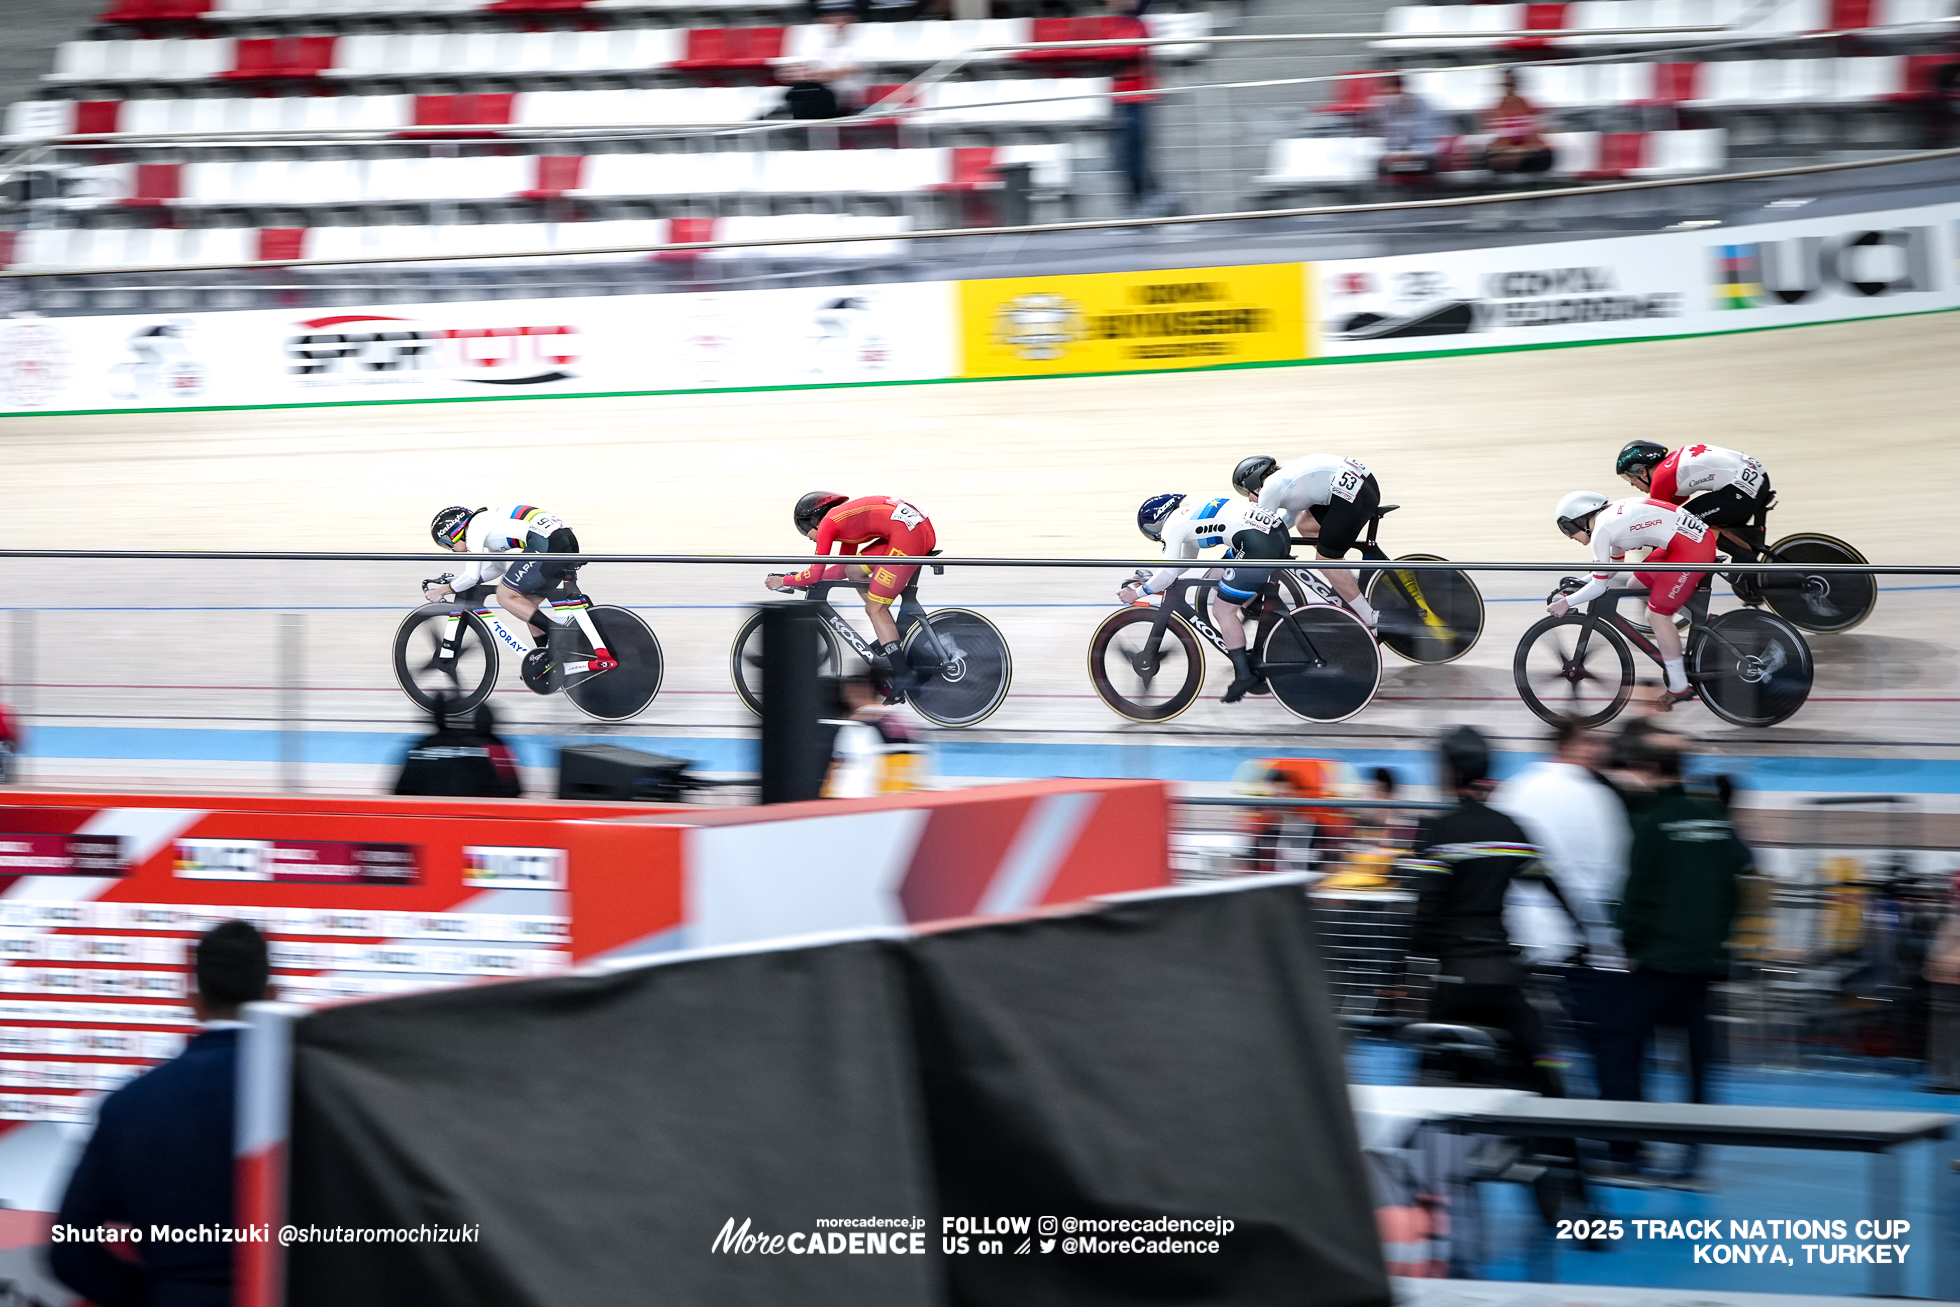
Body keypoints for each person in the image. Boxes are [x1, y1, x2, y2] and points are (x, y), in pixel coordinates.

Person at [51, 921, 272, 1307]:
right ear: (273, 995)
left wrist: (157, 1293)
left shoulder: (129, 1104)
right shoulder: (315, 1096)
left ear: (194, 999)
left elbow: (70, 1251)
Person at [1596, 730, 1750, 1184]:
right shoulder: (1717, 821)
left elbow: (1637, 893)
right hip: (1703, 968)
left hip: (1655, 965)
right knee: (1698, 1067)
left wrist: (1627, 939)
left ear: (1650, 771)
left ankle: (1629, 1153)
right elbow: (1735, 889)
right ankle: (1693, 1159)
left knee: (1625, 1054)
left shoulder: (1655, 823)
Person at [1405, 726, 1586, 1102]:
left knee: (1427, 1077)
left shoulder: (1438, 833)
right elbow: (1551, 886)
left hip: (1454, 979)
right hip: (1503, 977)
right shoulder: (1510, 829)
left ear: (1449, 772)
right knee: (1543, 1064)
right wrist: (1580, 937)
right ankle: (1565, 1146)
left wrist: (1410, 958)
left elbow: (1426, 912)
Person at [1492, 716, 1632, 1092]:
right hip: (1583, 942)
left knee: (1529, 1041)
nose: (1600, 752)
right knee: (1604, 1042)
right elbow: (1618, 867)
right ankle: (1617, 1136)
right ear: (1570, 745)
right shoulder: (1598, 797)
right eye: (1593, 743)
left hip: (1519, 938)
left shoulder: (1515, 789)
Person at [1548, 490, 1716, 708]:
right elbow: (1611, 569)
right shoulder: (1607, 520)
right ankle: (1703, 623)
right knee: (1636, 585)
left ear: (1582, 518)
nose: (1570, 536)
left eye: (1568, 529)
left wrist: (1566, 602)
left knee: (1657, 616)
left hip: (1692, 547)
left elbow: (1599, 585)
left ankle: (1679, 686)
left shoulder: (1602, 530)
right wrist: (1576, 584)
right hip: (1684, 541)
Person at [1121, 491, 1290, 703]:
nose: (1156, 535)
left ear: (1160, 518)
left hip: (1258, 543)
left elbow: (1169, 573)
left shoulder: (1173, 525)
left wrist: (1136, 593)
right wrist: (1150, 580)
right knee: (1216, 573)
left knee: (1222, 610)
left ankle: (1243, 675)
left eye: (1152, 529)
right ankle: (1255, 608)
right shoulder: (1186, 516)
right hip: (1271, 534)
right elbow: (1181, 564)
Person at [769, 492, 935, 681]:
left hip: (908, 536)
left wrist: (784, 581)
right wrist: (798, 578)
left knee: (874, 608)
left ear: (815, 520)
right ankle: (887, 633)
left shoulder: (827, 525)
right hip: (914, 530)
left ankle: (903, 676)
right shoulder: (842, 522)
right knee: (854, 571)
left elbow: (814, 574)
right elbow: (842, 569)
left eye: (805, 529)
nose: (808, 537)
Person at [1231, 453, 1382, 630]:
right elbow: (1287, 520)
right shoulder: (1283, 476)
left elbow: (1263, 531)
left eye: (1246, 492)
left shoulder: (1269, 488)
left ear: (1254, 485)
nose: (1249, 499)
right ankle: (1347, 580)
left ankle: (1370, 619)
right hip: (1359, 483)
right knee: (1305, 524)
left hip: (1354, 494)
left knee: (1326, 562)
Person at [424, 504, 583, 648]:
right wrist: (461, 582)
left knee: (505, 595)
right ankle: (547, 658)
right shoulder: (487, 523)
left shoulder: (474, 529)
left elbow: (471, 576)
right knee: (524, 603)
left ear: (455, 533)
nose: (451, 549)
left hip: (547, 543)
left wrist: (442, 591)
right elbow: (497, 568)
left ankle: (560, 635)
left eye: (446, 543)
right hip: (562, 540)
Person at [1614, 439, 1773, 564]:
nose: (1632, 484)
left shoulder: (1661, 479)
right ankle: (1746, 553)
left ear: (1641, 470)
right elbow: (1671, 510)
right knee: (1692, 519)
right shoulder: (1671, 465)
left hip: (1742, 489)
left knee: (1689, 524)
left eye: (1631, 478)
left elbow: (1658, 522)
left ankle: (1743, 555)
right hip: (1757, 481)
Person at [1104, 0, 1168, 217]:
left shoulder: (1137, 25)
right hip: (1121, 98)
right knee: (1123, 159)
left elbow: (1124, 54)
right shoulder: (1120, 25)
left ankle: (1154, 204)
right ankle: (1149, 204)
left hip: (1136, 99)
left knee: (1134, 158)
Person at [823, 667, 930, 797]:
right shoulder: (900, 722)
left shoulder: (857, 728)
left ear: (852, 692)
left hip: (868, 803)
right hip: (902, 799)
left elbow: (847, 784)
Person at [778, 0, 868, 119]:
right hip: (810, 93)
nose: (838, 21)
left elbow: (847, 71)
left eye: (842, 16)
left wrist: (810, 74)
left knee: (810, 92)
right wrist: (810, 75)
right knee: (802, 92)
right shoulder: (807, 36)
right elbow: (784, 73)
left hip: (842, 97)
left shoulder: (864, 38)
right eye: (831, 16)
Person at [1370, 73, 1441, 181]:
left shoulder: (1422, 106)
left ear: (1403, 90)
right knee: (1377, 167)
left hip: (1419, 154)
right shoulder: (1380, 108)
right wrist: (1392, 154)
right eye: (1388, 95)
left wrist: (1411, 154)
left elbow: (1427, 137)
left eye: (1395, 93)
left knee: (1431, 163)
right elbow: (1378, 136)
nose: (1391, 99)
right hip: (1392, 156)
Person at [1482, 69, 1552, 177]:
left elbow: (1533, 137)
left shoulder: (1528, 106)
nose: (1507, 89)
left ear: (1516, 85)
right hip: (1510, 151)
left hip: (1529, 151)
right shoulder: (1497, 108)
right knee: (1489, 156)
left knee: (1539, 156)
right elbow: (1498, 140)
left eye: (1510, 84)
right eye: (1504, 85)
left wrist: (1518, 149)